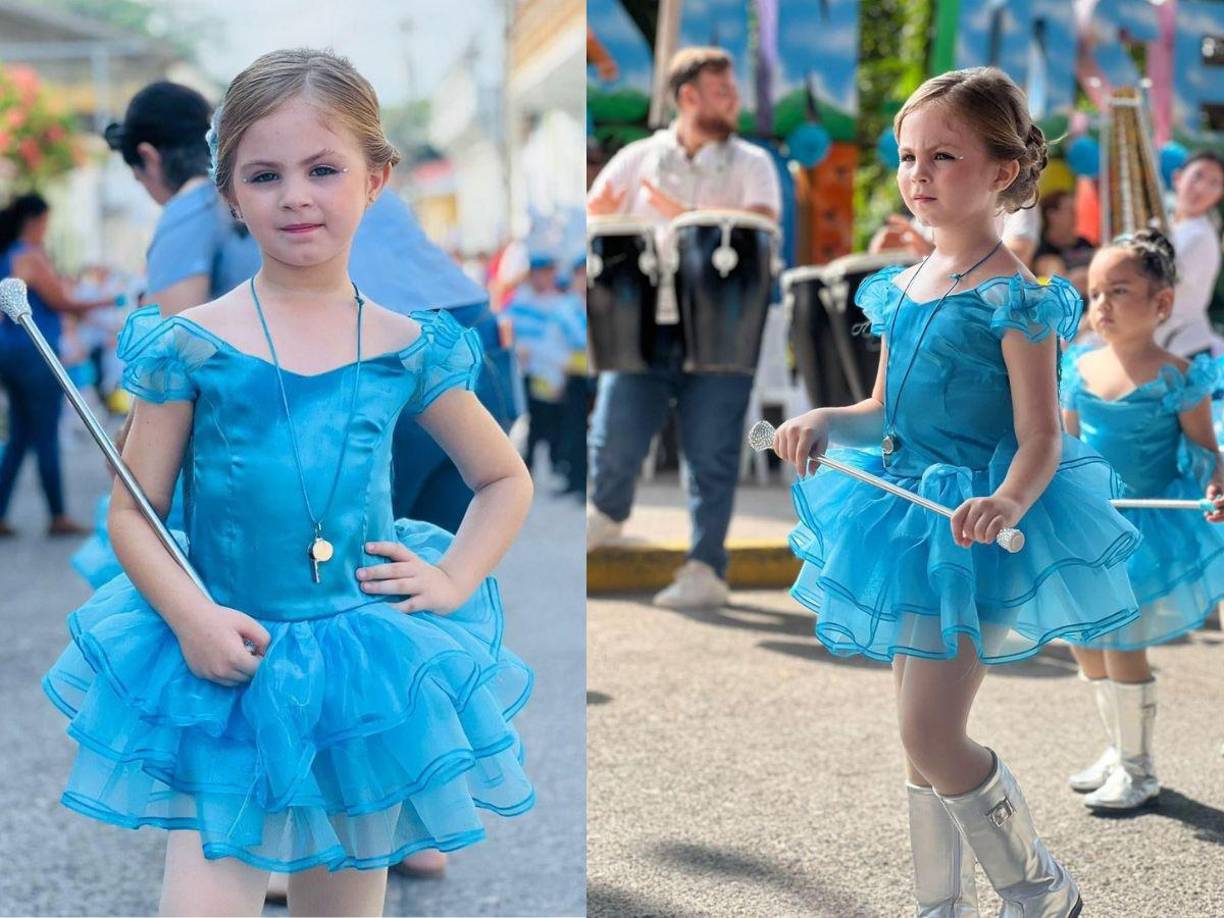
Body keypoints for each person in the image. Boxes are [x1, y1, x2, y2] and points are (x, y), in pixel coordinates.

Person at [41, 49, 535, 916]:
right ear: (228, 192)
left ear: (376, 179)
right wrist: (191, 619)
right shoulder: (191, 342)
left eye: (323, 169)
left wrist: (455, 576)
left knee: (342, 905)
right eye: (265, 175)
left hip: (359, 673)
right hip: (225, 656)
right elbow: (133, 510)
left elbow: (503, 478)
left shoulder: (404, 345)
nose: (296, 195)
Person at [770, 67, 1142, 916]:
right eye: (908, 156)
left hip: (976, 529)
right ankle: (942, 902)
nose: (919, 174)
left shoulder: (1016, 297)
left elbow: (1043, 433)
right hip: (907, 517)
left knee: (931, 731)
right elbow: (880, 412)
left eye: (943, 156)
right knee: (916, 737)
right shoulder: (904, 284)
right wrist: (828, 417)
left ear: (1002, 171)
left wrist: (1008, 500)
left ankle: (1041, 888)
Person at [585, 46, 781, 608]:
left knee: (711, 451)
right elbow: (596, 218)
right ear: (688, 96)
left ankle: (705, 567)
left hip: (724, 325)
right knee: (615, 431)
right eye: (724, 92)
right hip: (647, 321)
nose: (735, 102)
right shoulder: (636, 157)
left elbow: (760, 232)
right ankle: (609, 514)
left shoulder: (752, 163)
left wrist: (671, 211)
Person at [1061, 230, 1224, 812]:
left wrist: (1215, 481)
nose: (1099, 304)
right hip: (1088, 524)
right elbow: (1067, 448)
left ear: (1161, 303)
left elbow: (1205, 451)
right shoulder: (1079, 368)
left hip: (1147, 527)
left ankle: (1139, 766)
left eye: (1118, 291)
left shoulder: (1179, 376)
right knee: (1083, 640)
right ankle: (1115, 745)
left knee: (1121, 641)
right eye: (1094, 293)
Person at [0, 193, 119, 537]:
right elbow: (62, 301)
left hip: (11, 353)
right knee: (46, 431)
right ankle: (57, 515)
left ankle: (5, 511)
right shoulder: (29, 256)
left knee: (21, 435)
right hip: (35, 353)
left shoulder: (8, 254)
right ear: (35, 221)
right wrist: (111, 299)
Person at [1158, 151, 1224, 358]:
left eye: (1214, 183)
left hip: (1182, 349)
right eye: (1198, 176)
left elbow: (1157, 281)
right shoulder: (1164, 223)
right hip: (1160, 343)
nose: (1202, 188)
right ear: (1178, 178)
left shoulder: (1201, 237)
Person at [1034, 188, 1094, 294]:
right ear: (1052, 215)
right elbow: (1059, 284)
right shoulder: (1043, 250)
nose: (1075, 215)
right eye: (1070, 210)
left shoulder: (1084, 242)